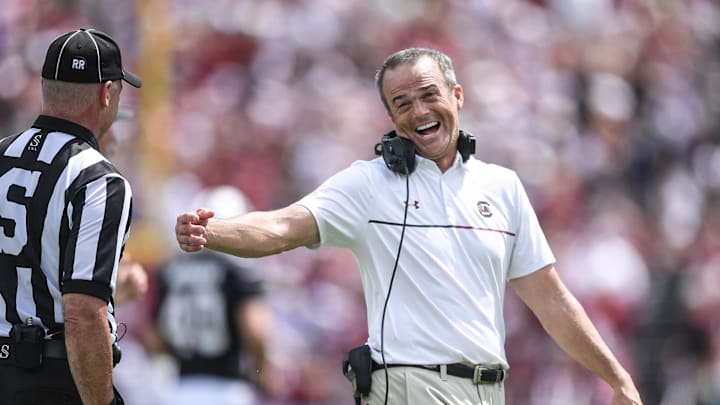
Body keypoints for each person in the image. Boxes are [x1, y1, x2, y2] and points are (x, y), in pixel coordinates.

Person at [174, 48, 643, 405]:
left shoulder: (503, 187)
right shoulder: (367, 183)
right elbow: (281, 227)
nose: (418, 112)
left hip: (488, 391)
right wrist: (210, 232)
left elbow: (552, 302)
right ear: (391, 118)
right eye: (402, 103)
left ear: (457, 96)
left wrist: (616, 378)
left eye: (428, 96)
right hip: (409, 388)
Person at [0, 28, 141, 405]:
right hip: (52, 378)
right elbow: (81, 313)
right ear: (106, 93)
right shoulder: (99, 180)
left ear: (45, 86)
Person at [153, 185, 272, 405]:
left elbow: (156, 338)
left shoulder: (170, 272)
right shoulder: (237, 273)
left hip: (179, 391)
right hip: (227, 390)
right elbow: (255, 332)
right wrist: (262, 369)